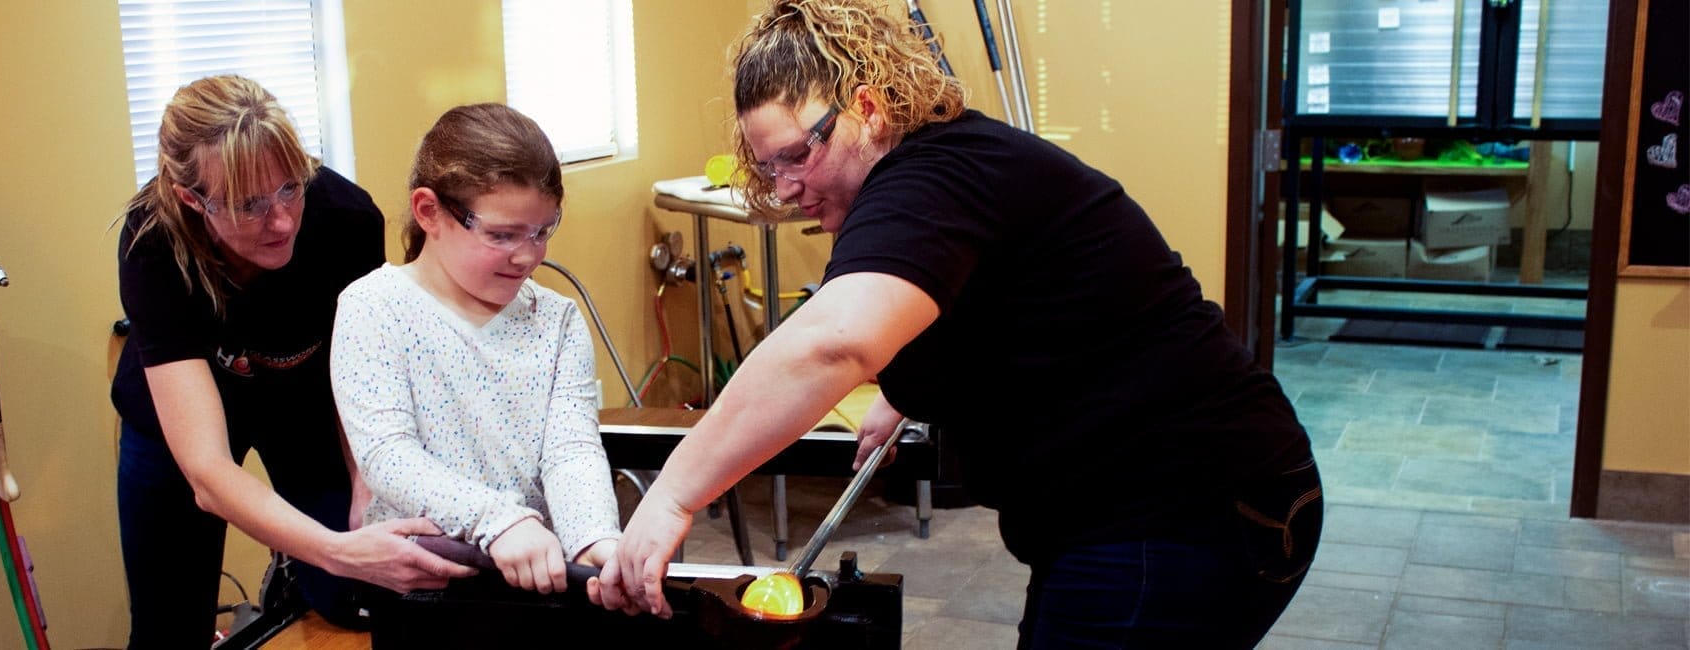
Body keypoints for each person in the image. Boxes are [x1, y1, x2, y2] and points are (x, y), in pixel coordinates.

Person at [591, 2, 1322, 647]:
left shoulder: (931, 177)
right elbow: (1003, 292)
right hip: (1154, 507)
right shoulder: (944, 167)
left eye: (797, 154)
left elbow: (833, 341)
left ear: (869, 108)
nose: (784, 188)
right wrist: (911, 387)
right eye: (765, 166)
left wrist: (674, 495)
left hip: (1190, 509)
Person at [111, 74, 475, 647]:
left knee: (349, 596)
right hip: (180, 418)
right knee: (168, 627)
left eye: (289, 188)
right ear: (191, 199)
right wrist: (336, 549)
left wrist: (365, 488)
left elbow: (360, 373)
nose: (281, 221)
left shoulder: (346, 218)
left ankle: (294, 572)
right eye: (249, 204)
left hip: (307, 397)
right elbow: (207, 474)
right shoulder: (153, 244)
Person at [330, 103, 620, 596]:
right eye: (502, 235)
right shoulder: (373, 308)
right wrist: (498, 520)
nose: (528, 255)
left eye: (542, 231)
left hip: (535, 579)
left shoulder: (557, 320)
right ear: (429, 212)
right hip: (424, 586)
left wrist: (594, 541)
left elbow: (570, 451)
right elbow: (388, 455)